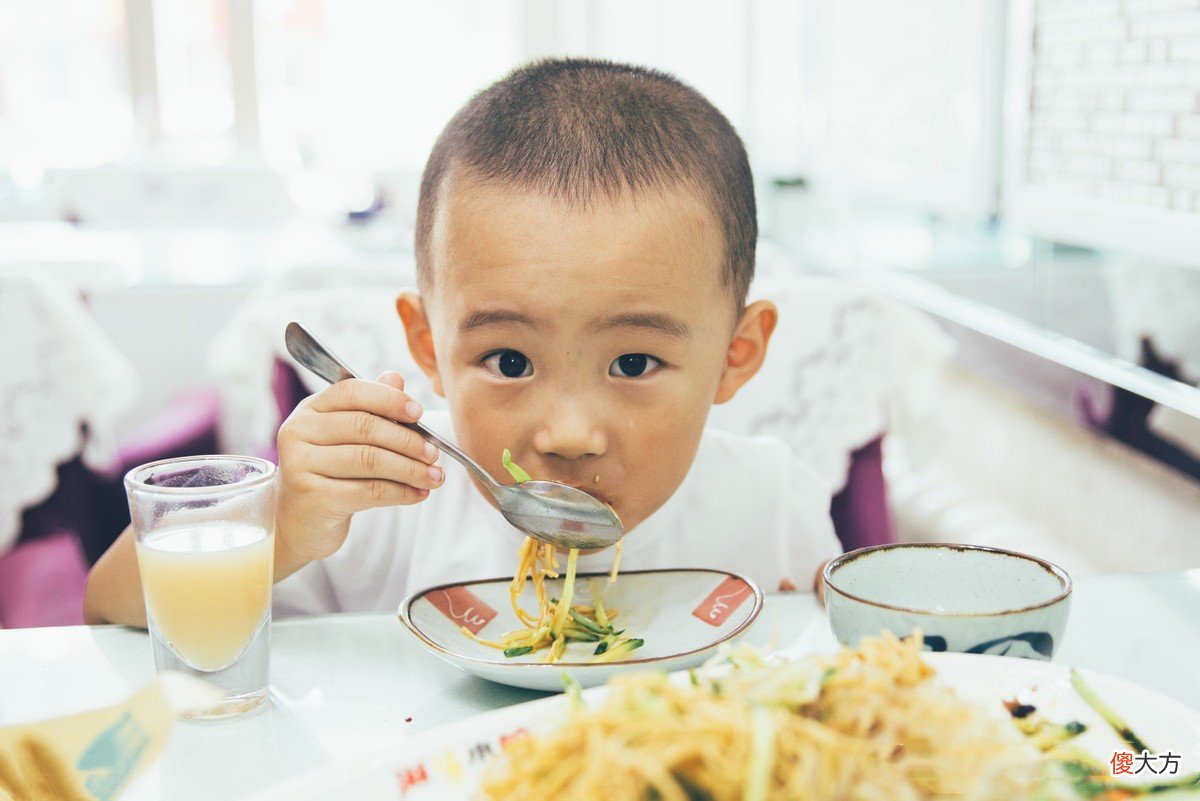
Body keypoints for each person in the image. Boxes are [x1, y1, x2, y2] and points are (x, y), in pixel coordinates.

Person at [84, 58, 841, 625]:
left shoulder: (773, 503)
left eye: (633, 362)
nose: (570, 433)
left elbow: (843, 672)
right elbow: (108, 612)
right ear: (427, 343)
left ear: (736, 355)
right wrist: (284, 523)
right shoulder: (382, 509)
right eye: (509, 361)